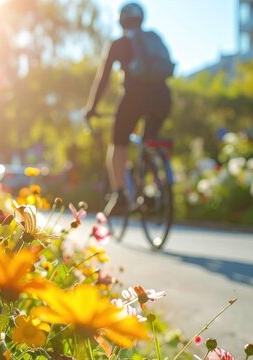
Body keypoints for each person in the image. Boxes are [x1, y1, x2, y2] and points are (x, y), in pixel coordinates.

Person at [84, 1, 173, 215]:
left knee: (119, 143)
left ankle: (120, 194)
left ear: (121, 22)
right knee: (149, 142)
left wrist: (92, 108)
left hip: (134, 99)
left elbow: (103, 78)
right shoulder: (154, 38)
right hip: (162, 97)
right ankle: (154, 186)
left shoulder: (119, 44)